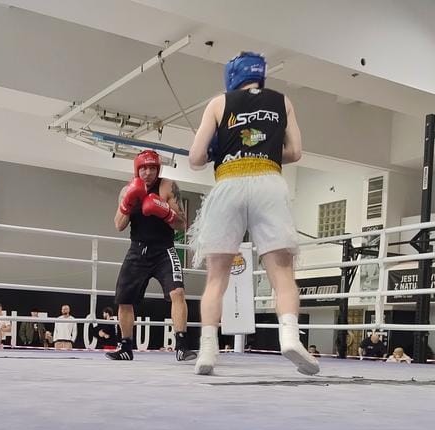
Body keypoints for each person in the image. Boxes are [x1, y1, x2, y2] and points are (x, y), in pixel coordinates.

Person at [186, 52, 318, 376]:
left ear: (232, 75)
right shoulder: (283, 101)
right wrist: (265, 150)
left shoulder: (218, 103)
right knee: (282, 273)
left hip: (228, 183)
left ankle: (207, 349)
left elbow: (195, 158)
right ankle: (289, 337)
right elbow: (295, 152)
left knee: (217, 277)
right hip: (269, 183)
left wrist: (218, 150)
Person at [107, 150, 196, 362]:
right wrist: (128, 203)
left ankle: (181, 346)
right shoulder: (127, 190)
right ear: (137, 169)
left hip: (164, 249)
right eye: (144, 168)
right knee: (124, 299)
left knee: (178, 292)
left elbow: (182, 224)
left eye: (152, 168)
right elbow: (118, 224)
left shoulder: (168, 187)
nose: (148, 172)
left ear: (158, 169)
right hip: (137, 250)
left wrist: (165, 211)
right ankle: (125, 347)